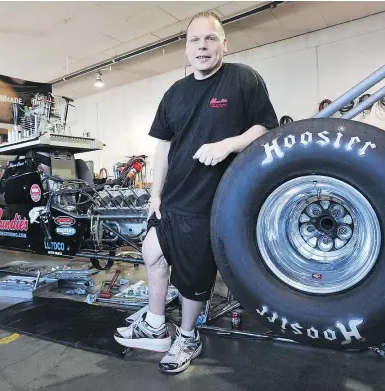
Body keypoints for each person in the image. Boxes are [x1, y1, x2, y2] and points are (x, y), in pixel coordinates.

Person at [114, 11, 279, 374]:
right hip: (173, 196)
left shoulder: (242, 80)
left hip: (212, 199)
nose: (202, 46)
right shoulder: (175, 92)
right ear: (186, 48)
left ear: (224, 43)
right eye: (194, 40)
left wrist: (229, 144)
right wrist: (155, 194)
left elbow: (266, 128)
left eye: (210, 39)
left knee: (192, 277)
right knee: (152, 251)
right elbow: (163, 148)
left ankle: (187, 336)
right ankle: (156, 325)